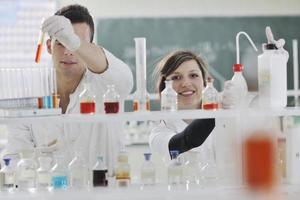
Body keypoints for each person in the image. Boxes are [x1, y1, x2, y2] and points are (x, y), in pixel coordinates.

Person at [5, 4, 133, 174]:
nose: (68, 51)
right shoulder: (29, 92)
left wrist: (74, 42)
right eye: (61, 43)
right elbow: (14, 157)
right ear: (49, 46)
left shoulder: (105, 85)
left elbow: (125, 81)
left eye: (74, 43)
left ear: (89, 47)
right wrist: (34, 158)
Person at [149, 50, 216, 160]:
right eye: (176, 77)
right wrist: (216, 111)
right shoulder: (159, 133)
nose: (186, 84)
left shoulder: (224, 122)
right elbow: (184, 141)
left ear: (204, 82)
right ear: (165, 86)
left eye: (193, 75)